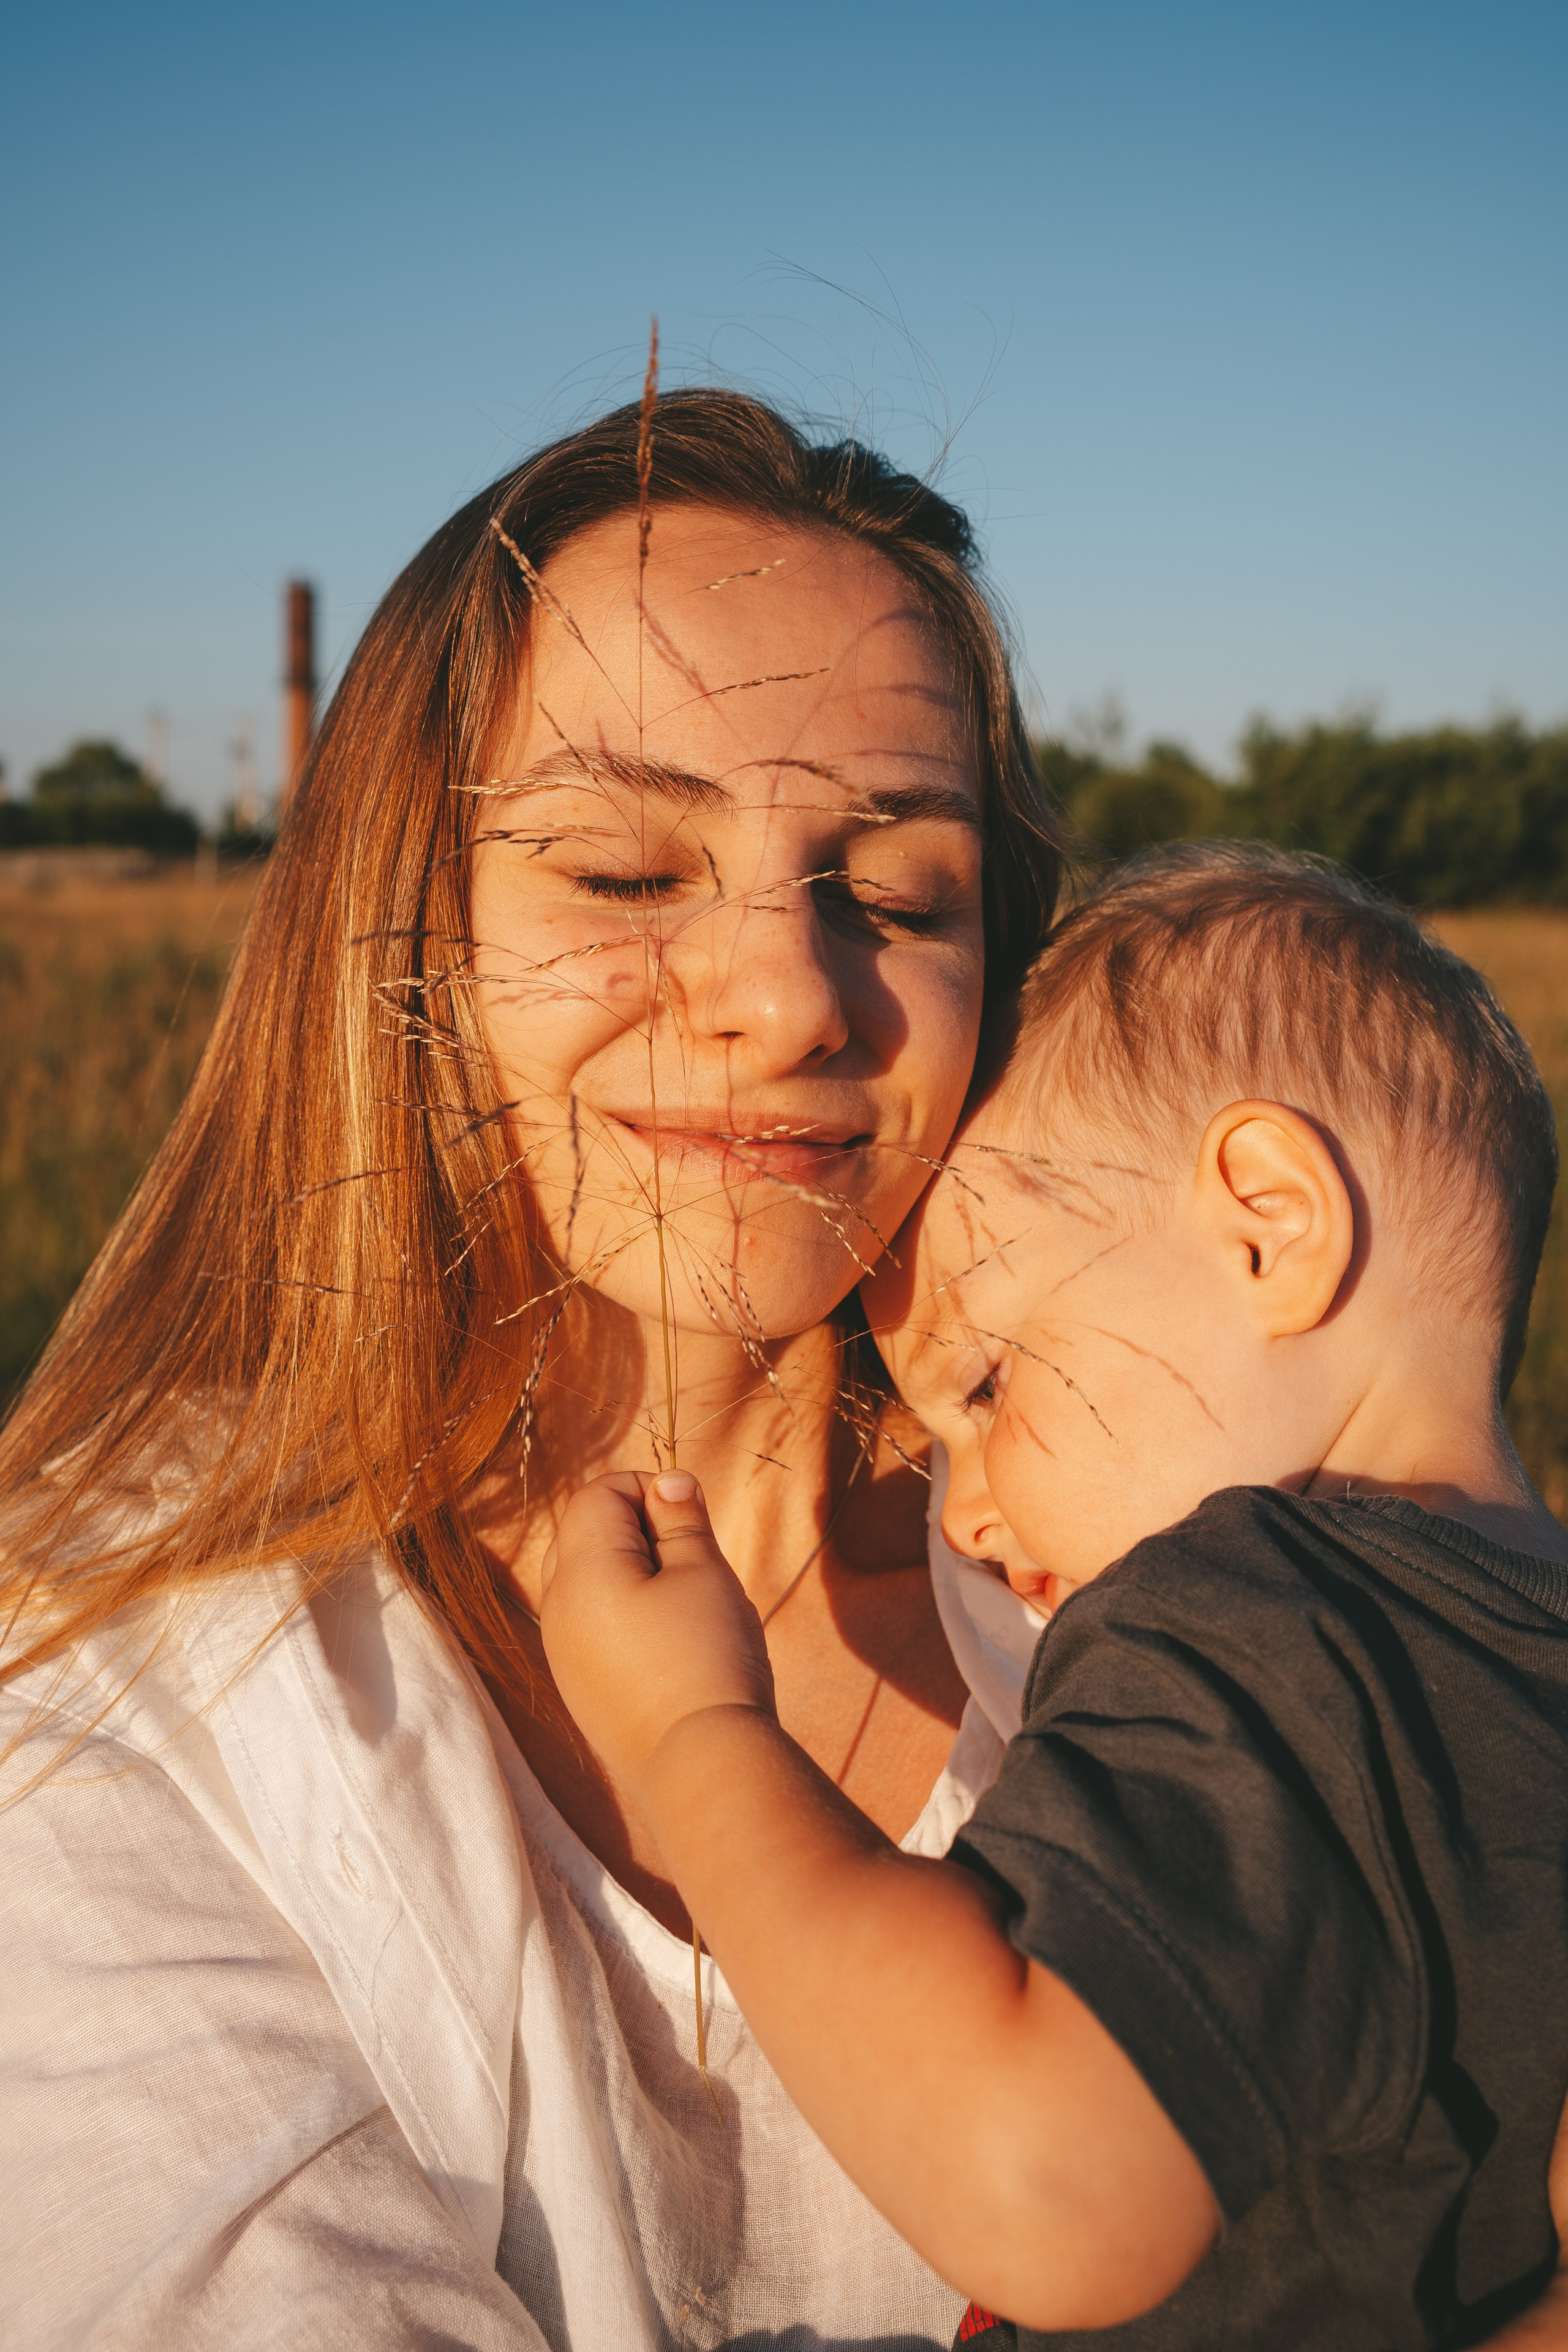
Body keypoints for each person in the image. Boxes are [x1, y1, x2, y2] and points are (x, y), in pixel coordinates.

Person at [1, 387, 1062, 2350]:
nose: (790, 994)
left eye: (901, 892)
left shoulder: (1154, 1601)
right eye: (626, 873)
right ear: (404, 936)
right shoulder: (117, 1657)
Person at [538, 845, 1568, 2348]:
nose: (960, 1509)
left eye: (988, 1376)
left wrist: (692, 1737)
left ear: (1267, 1226)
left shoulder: (1255, 1629)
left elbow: (1039, 2185)